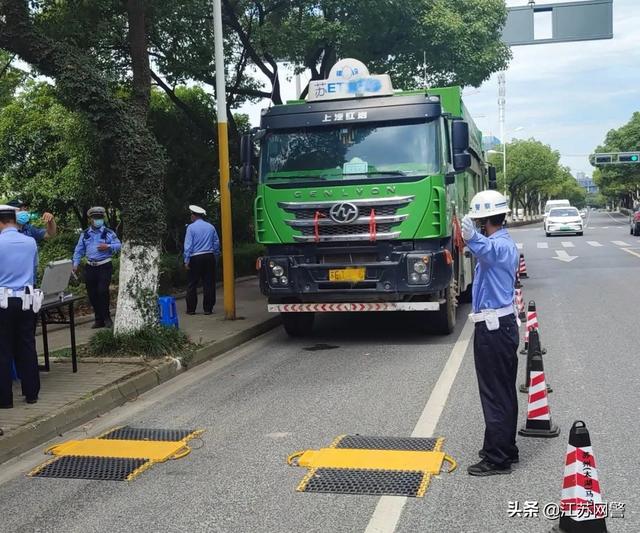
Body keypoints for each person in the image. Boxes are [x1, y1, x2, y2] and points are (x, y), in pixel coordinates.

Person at [461, 190, 520, 476]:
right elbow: (483, 250)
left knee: (495, 394)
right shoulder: (500, 242)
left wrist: (471, 236)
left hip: (494, 328)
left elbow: (486, 250)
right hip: (499, 327)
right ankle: (504, 447)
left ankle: (498, 458)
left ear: (483, 220)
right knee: (503, 391)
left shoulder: (500, 246)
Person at [0, 204, 41, 408]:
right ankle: (32, 393)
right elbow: (34, 269)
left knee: (3, 350)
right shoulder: (30, 242)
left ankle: (5, 399)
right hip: (27, 300)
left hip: (3, 302)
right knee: (27, 345)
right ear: (14, 221)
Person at [72, 207, 121, 329]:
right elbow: (79, 250)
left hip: (104, 265)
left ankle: (107, 317)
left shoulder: (108, 232)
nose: (98, 220)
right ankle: (98, 319)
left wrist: (108, 246)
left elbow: (119, 245)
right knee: (92, 293)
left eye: (100, 218)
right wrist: (75, 263)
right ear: (90, 219)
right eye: (95, 218)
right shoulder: (85, 234)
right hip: (90, 266)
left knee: (102, 291)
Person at [184, 205, 220, 315]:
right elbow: (216, 244)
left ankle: (191, 309)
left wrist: (186, 260)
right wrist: (216, 257)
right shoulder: (211, 227)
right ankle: (208, 309)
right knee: (209, 283)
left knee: (192, 284)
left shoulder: (190, 228)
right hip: (209, 256)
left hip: (195, 257)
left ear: (194, 216)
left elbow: (188, 245)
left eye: (191, 214)